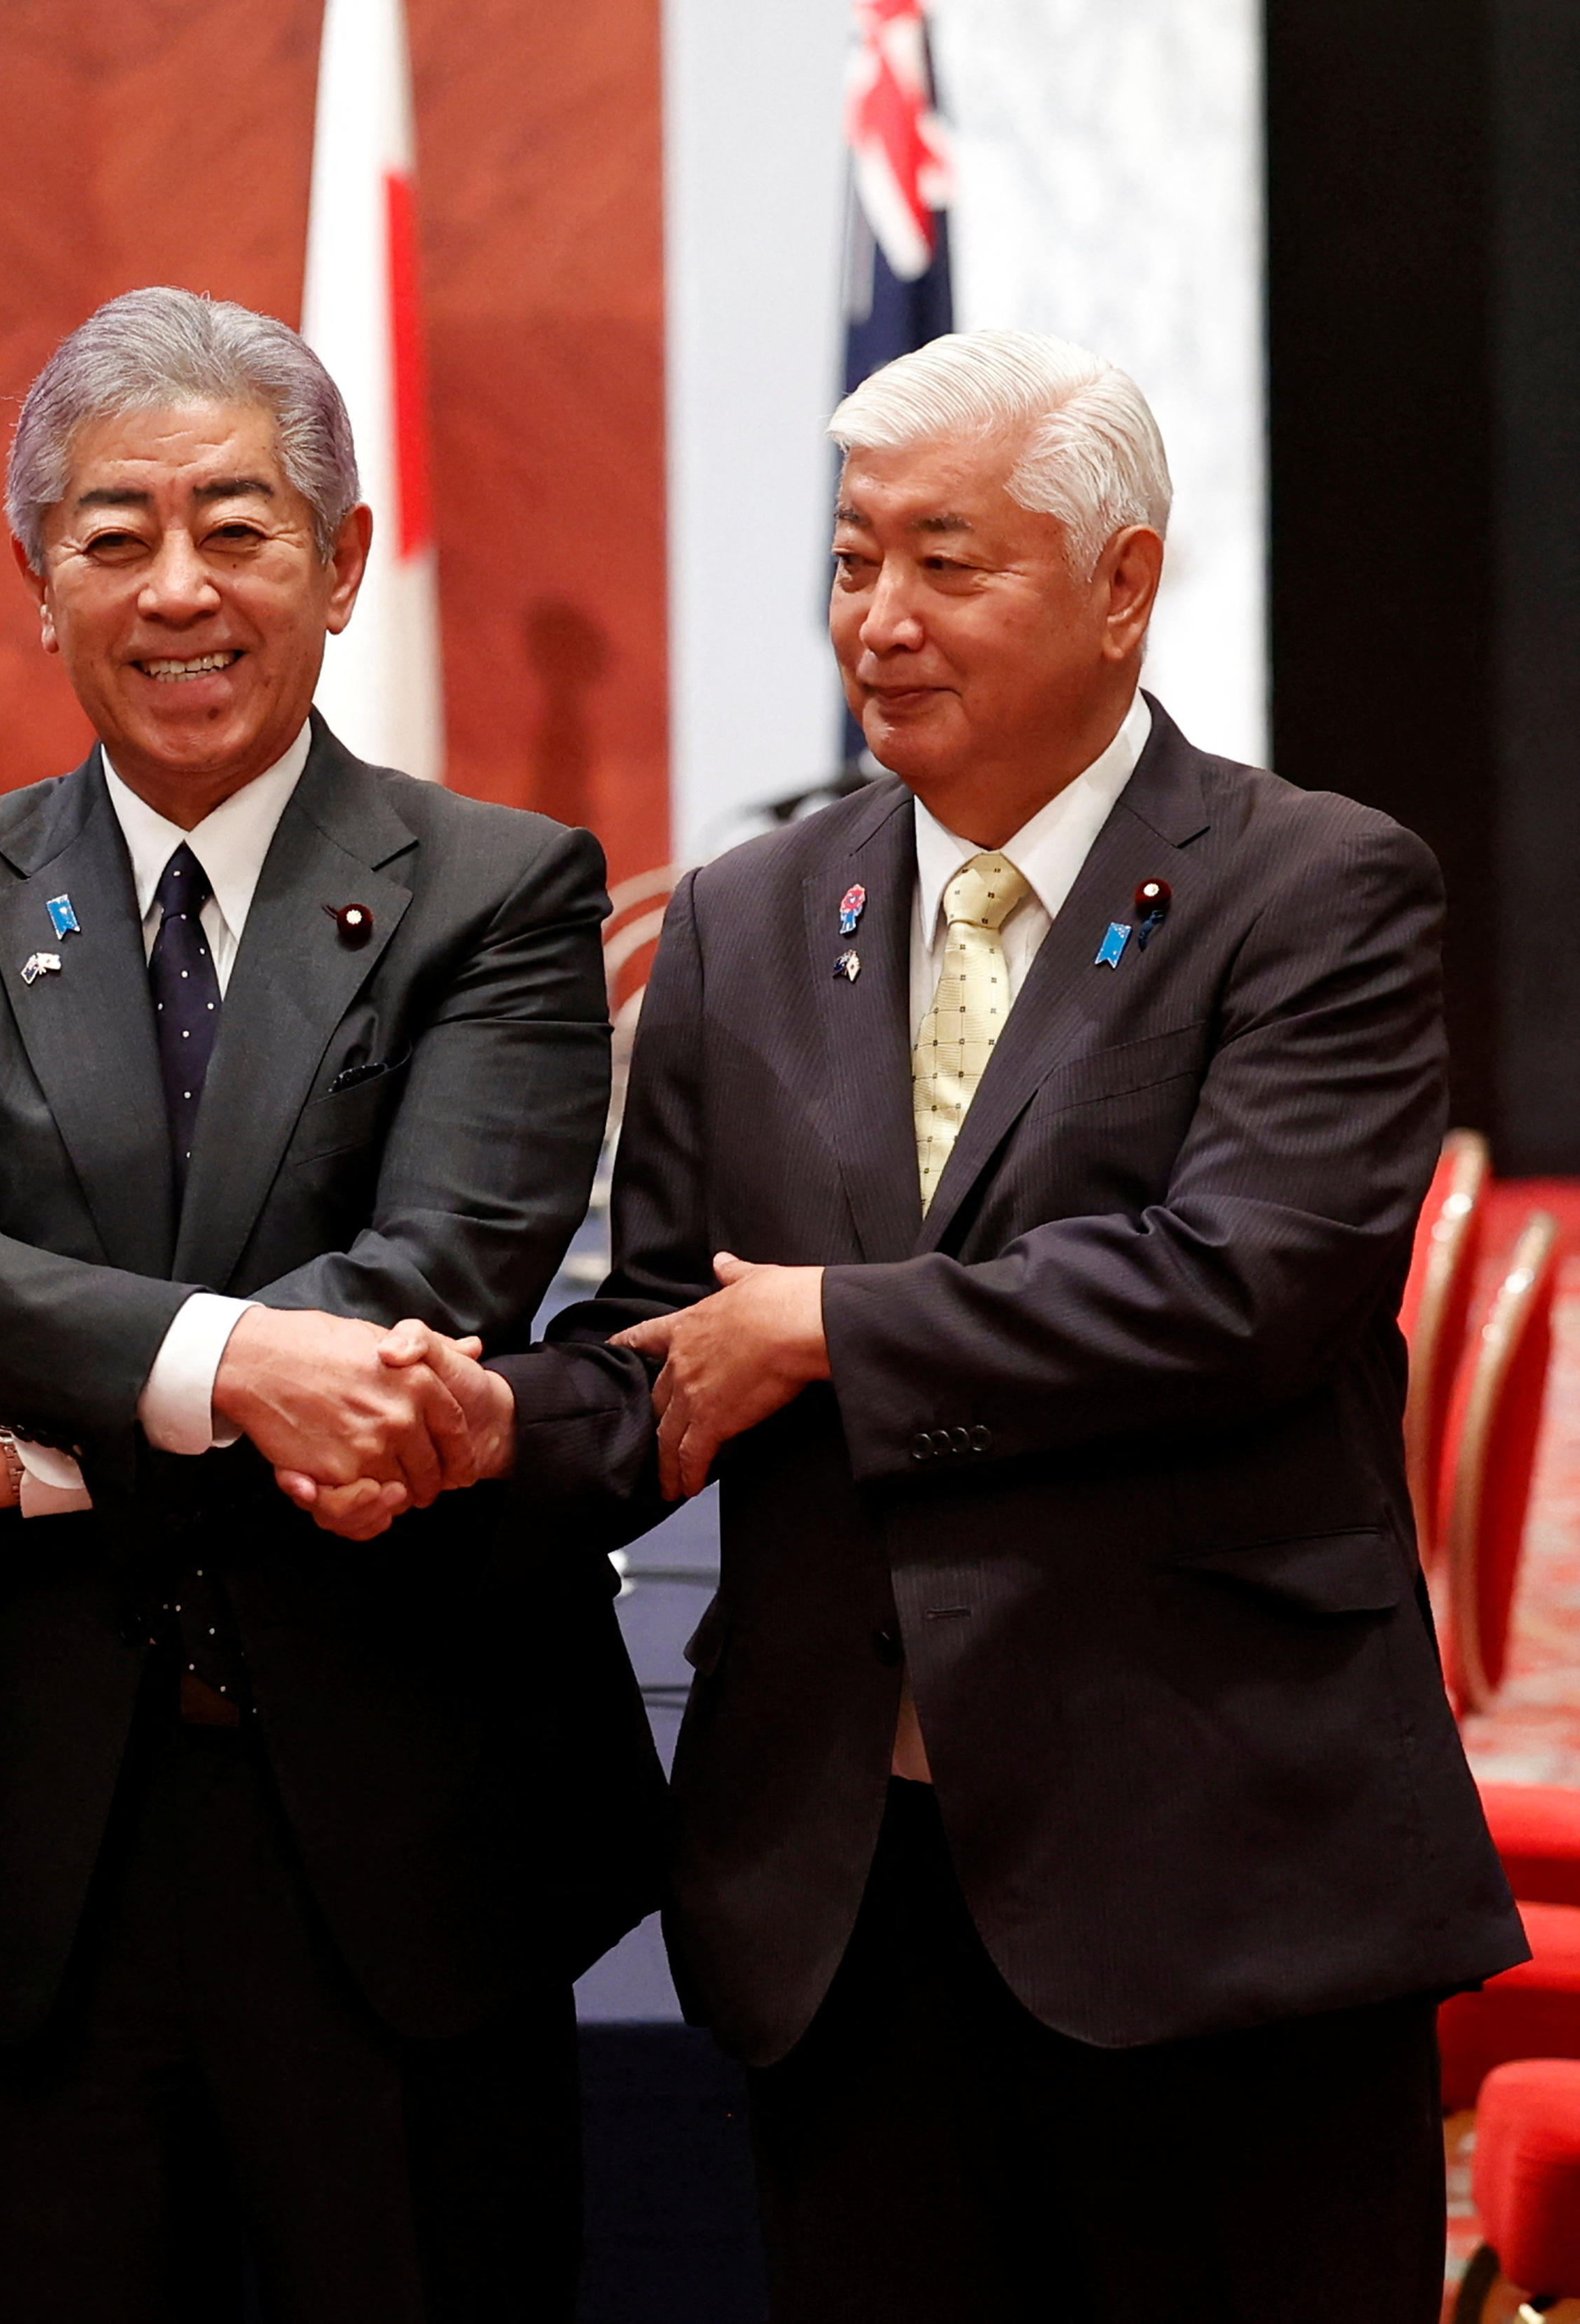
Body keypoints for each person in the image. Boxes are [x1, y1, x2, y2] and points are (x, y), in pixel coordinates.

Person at [498, 328, 1525, 2317]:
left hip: (1212, 1863)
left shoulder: (1311, 890)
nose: (877, 621)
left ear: (1121, 581)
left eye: (945, 564)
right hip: (844, 1885)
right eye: (852, 561)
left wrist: (830, 1334)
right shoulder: (750, 916)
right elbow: (666, 1335)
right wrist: (460, 1428)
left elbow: (1244, 1284)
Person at [0, 287, 668, 2323]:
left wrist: (41, 1440)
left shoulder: (502, 888)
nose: (177, 587)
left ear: (345, 558)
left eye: (239, 524)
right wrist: (234, 1365)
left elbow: (434, 1284)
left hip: (405, 1829)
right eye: (113, 536)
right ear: (35, 583)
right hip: (41, 1850)